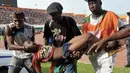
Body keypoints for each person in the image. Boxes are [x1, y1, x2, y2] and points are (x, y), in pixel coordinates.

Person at [82, 0, 126, 73]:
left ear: (100, 3)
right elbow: (85, 39)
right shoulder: (86, 21)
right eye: (89, 4)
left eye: (94, 3)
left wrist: (116, 41)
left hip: (107, 52)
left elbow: (123, 28)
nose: (91, 6)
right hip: (94, 54)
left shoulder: (110, 15)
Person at [43, 2, 81, 73]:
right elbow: (46, 38)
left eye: (54, 15)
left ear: (60, 12)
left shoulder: (69, 21)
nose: (52, 17)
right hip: (56, 55)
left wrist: (78, 50)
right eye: (50, 15)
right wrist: (45, 51)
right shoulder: (48, 23)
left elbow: (78, 37)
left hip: (69, 53)